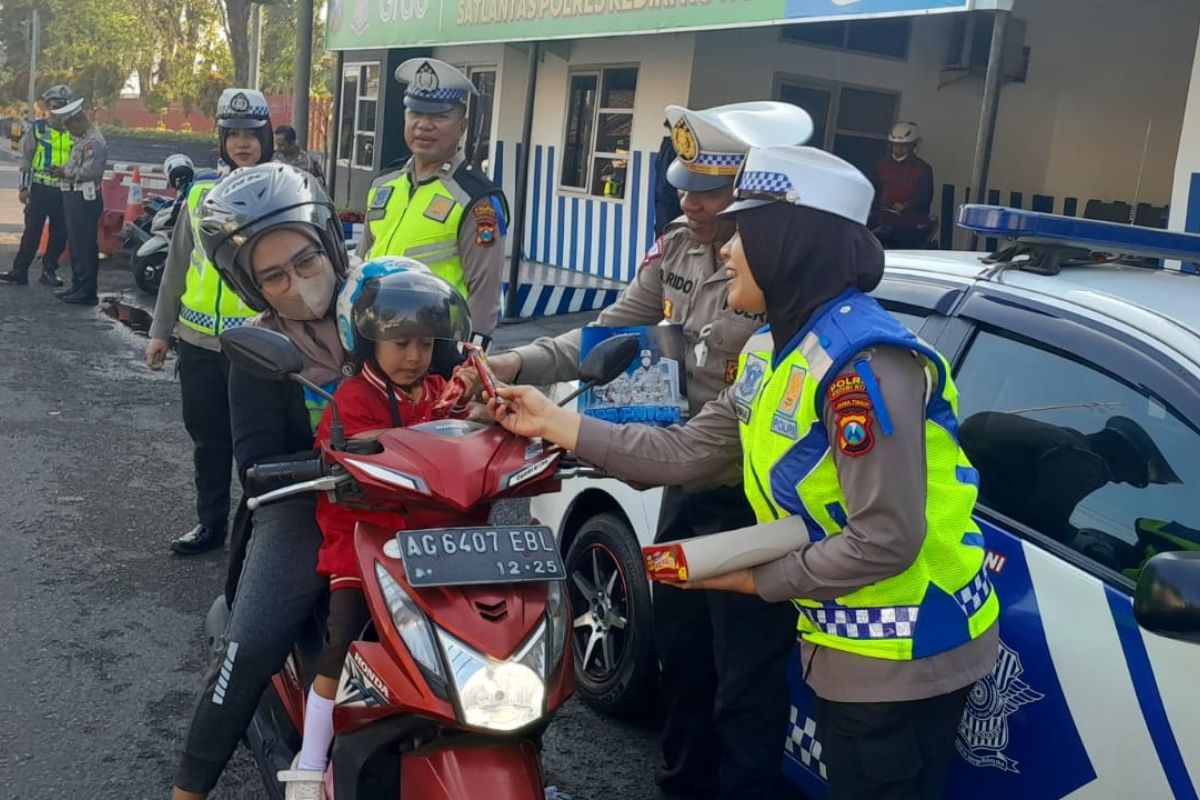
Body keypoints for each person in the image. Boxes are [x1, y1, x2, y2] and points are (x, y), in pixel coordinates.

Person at [488, 144, 1000, 800]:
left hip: (903, 651)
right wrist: (551, 421)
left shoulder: (863, 366)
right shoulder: (773, 349)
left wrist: (759, 581)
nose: (725, 249)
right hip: (847, 636)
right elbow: (689, 454)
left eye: (743, 233)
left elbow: (887, 538)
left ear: (791, 244)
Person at [477, 102, 813, 800]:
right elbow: (605, 337)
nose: (689, 200)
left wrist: (562, 426)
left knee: (746, 685)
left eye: (710, 191)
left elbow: (728, 424)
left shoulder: (780, 276)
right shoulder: (679, 246)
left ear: (758, 194)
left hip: (755, 505)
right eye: (684, 185)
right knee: (682, 659)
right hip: (684, 487)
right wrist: (519, 364)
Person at [170, 162, 351, 800]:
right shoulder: (255, 349)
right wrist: (329, 467)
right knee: (248, 653)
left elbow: (452, 378)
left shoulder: (386, 306)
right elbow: (252, 464)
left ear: (328, 242)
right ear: (251, 288)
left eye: (305, 261)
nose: (298, 283)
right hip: (304, 510)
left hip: (409, 507)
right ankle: (189, 787)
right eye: (274, 277)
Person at [277, 262, 472, 798]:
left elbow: (472, 432)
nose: (415, 356)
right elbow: (345, 456)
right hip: (365, 541)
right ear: (364, 342)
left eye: (427, 344)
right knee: (342, 638)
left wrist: (486, 408)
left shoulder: (439, 389)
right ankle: (312, 760)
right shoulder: (350, 402)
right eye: (400, 343)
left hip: (436, 541)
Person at [145, 88, 274, 555]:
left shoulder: (281, 189)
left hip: (259, 344)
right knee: (208, 439)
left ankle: (262, 535)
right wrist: (161, 331)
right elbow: (178, 265)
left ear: (266, 137)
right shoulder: (199, 190)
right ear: (221, 139)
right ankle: (210, 525)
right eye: (233, 134)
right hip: (198, 340)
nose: (242, 143)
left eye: (251, 134)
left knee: (257, 447)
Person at [357, 57, 508, 343]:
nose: (423, 125)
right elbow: (360, 262)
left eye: (439, 116)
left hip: (433, 346)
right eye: (415, 113)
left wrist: (467, 359)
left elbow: (485, 296)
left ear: (462, 126)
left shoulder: (475, 198)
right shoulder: (384, 184)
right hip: (374, 340)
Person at [960, 411, 1180, 544]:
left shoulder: (1066, 439)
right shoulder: (1081, 464)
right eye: (1126, 476)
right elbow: (1041, 531)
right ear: (1123, 457)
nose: (1117, 481)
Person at [0, 85, 74, 287]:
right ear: (49, 106)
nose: (59, 108)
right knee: (32, 232)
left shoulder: (75, 131)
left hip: (64, 190)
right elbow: (27, 159)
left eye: (63, 104)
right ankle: (19, 271)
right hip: (40, 189)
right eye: (55, 104)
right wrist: (23, 188)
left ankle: (49, 271)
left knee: (60, 233)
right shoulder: (38, 128)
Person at [47, 98, 107, 305]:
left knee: (84, 245)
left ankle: (87, 290)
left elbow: (92, 170)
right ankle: (78, 285)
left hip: (85, 197)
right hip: (74, 195)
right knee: (74, 244)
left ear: (78, 121)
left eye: (69, 126)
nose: (68, 131)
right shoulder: (82, 140)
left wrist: (65, 171)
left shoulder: (94, 141)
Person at [870, 121, 935, 249]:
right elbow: (872, 187)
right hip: (881, 220)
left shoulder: (922, 168)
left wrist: (906, 205)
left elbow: (925, 196)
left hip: (909, 225)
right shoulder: (881, 164)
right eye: (895, 145)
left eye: (903, 146)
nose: (898, 150)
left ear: (913, 145)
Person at [654, 118, 683, 237]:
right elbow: (668, 186)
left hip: (664, 212)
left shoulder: (666, 148)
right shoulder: (672, 151)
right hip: (671, 212)